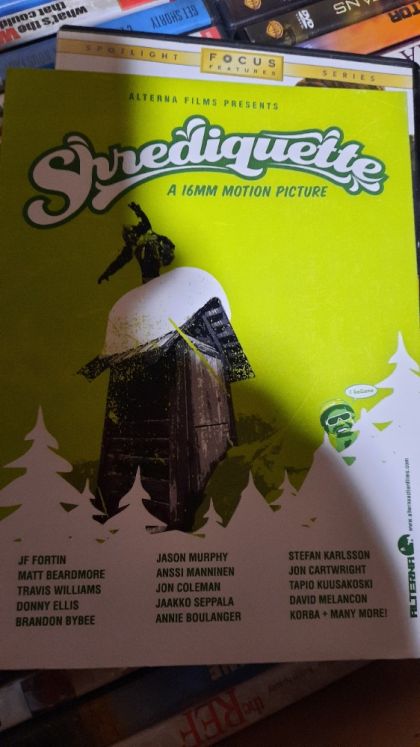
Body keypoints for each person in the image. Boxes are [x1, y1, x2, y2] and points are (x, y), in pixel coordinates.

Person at [98, 202, 175, 285]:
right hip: (150, 275)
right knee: (142, 252)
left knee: (149, 244)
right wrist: (107, 273)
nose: (132, 237)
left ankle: (163, 254)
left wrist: (137, 210)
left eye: (131, 234)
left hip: (162, 252)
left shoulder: (144, 230)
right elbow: (119, 262)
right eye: (130, 238)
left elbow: (144, 221)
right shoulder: (131, 247)